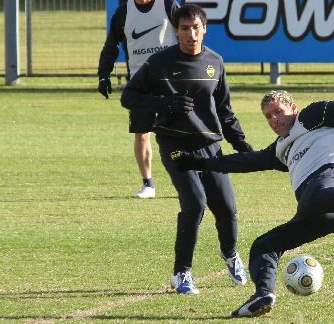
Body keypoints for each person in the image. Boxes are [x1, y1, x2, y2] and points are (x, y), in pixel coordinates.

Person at [171, 90, 334, 316]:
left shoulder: (314, 115)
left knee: (315, 194)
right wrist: (196, 163)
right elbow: (241, 162)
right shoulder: (280, 148)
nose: (274, 120)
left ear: (293, 108)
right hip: (316, 206)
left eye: (278, 112)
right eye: (268, 116)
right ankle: (263, 295)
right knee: (265, 244)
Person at [120, 4, 255, 294]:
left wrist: (241, 143)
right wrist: (164, 104)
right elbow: (129, 96)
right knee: (194, 203)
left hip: (209, 146)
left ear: (204, 29)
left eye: (196, 27)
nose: (191, 34)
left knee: (227, 209)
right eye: (184, 28)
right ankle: (181, 273)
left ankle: (230, 255)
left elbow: (224, 110)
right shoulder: (159, 63)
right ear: (176, 30)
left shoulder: (215, 62)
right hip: (175, 144)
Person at [97, 0, 179, 199]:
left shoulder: (168, 5)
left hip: (171, 81)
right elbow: (111, 44)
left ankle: (187, 179)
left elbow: (186, 34)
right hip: (140, 84)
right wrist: (103, 75)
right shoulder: (124, 12)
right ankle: (148, 184)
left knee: (180, 132)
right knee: (142, 134)